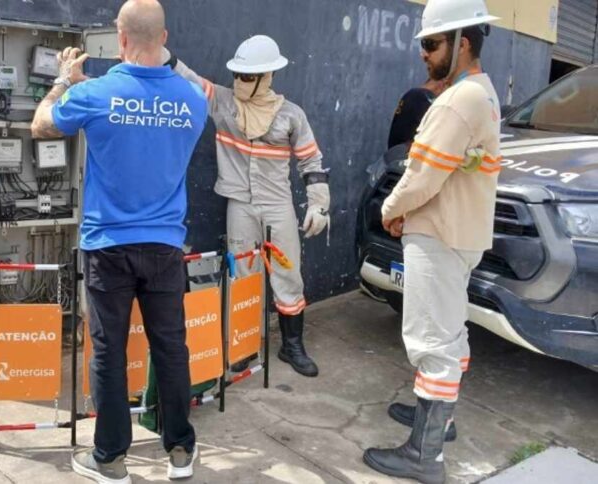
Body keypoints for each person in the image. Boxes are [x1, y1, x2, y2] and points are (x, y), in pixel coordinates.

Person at [30, 1, 207, 482]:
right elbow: (147, 110)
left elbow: (42, 124)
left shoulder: (99, 94)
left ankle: (109, 459)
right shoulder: (194, 100)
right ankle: (181, 453)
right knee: (170, 347)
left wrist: (65, 79)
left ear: (120, 38)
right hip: (166, 244)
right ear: (165, 37)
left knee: (108, 351)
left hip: (108, 243)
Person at [363, 0, 501, 482]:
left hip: (440, 236)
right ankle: (439, 424)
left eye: (431, 43)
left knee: (431, 341)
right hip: (456, 230)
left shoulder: (458, 100)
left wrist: (390, 210)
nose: (423, 53)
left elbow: (421, 175)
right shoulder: (479, 94)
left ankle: (424, 455)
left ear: (462, 43)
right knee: (450, 332)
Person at [168, 35, 329, 377]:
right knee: (243, 275)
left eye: (246, 76)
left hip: (277, 206)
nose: (238, 82)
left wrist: (319, 205)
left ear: (266, 77)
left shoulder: (291, 116)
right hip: (239, 205)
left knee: (288, 274)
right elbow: (191, 78)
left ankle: (292, 345)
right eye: (237, 75)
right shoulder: (224, 103)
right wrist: (162, 52)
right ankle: (243, 345)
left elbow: (311, 162)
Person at [388, 78, 448, 149]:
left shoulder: (412, 94)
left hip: (395, 153)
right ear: (442, 84)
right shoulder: (425, 98)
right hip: (408, 155)